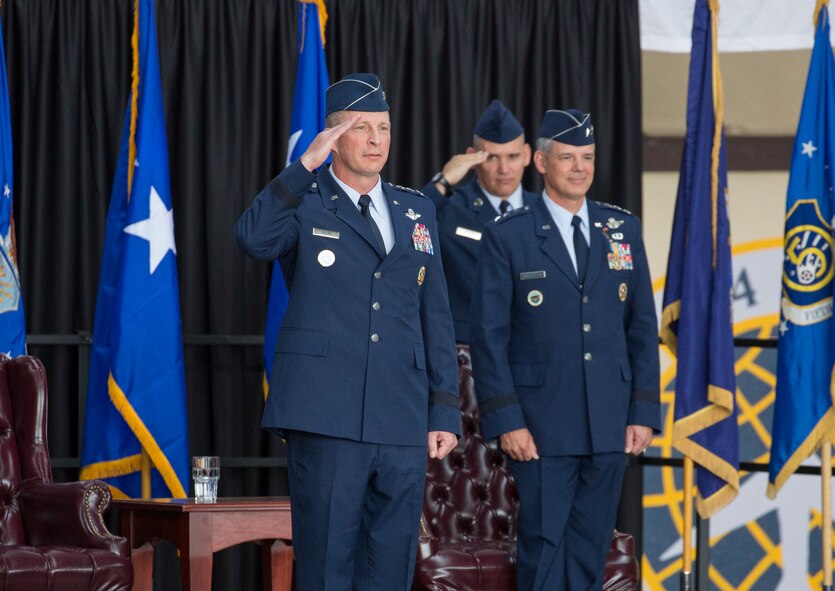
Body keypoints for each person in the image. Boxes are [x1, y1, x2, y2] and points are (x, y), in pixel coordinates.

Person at [234, 73, 460, 590]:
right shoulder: (305, 200)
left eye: (383, 127)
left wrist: (443, 408)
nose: (377, 140)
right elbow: (252, 238)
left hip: (402, 417)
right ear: (334, 137)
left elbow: (435, 314)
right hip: (326, 413)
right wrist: (302, 168)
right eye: (362, 128)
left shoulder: (415, 208)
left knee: (390, 569)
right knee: (327, 567)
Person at [469, 109, 661, 590]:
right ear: (540, 161)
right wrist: (507, 419)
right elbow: (488, 337)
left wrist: (643, 411)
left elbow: (641, 328)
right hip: (540, 423)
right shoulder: (508, 235)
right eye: (568, 157)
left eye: (588, 157)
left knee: (591, 548)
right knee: (544, 547)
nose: (579, 168)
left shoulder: (622, 230)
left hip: (608, 421)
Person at [420, 99, 537, 343]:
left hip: (532, 350)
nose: (504, 168)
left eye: (513, 156)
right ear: (472, 157)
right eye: (492, 157)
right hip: (467, 352)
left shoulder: (543, 211)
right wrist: (442, 182)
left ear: (527, 155)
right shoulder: (449, 208)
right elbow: (407, 231)